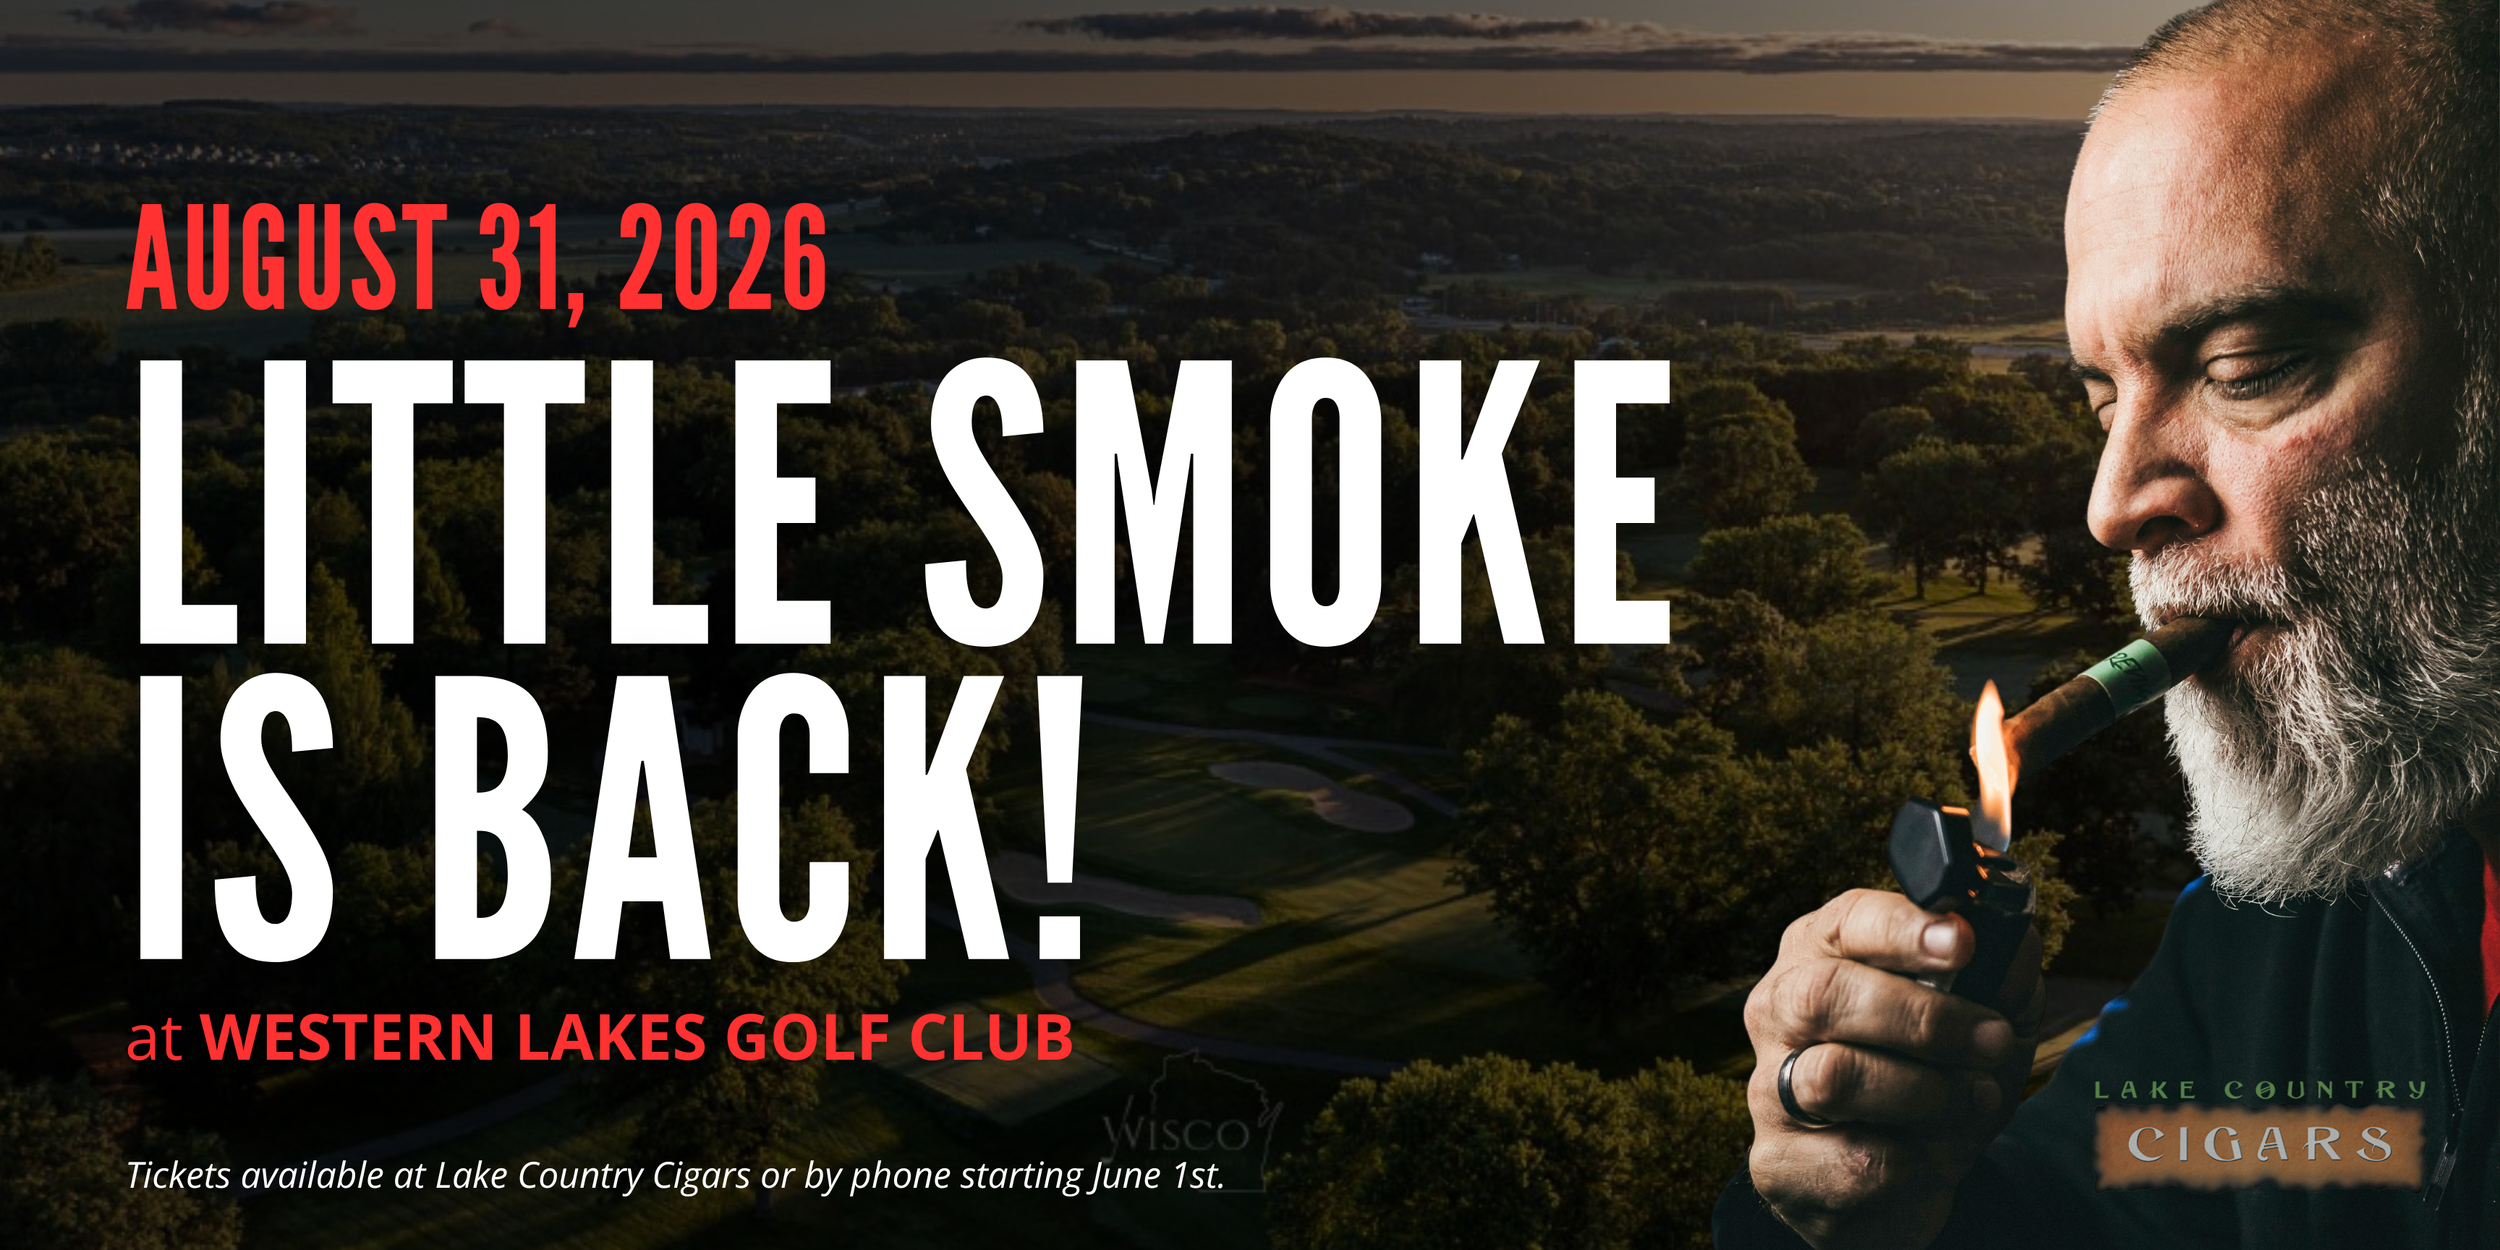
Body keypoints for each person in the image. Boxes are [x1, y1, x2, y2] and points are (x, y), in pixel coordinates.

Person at [1714, 1, 2499, 1245]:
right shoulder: (2299, 909)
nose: (2113, 503)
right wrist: (1857, 1183)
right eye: (2100, 396)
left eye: (2242, 368)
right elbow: (2095, 1198)